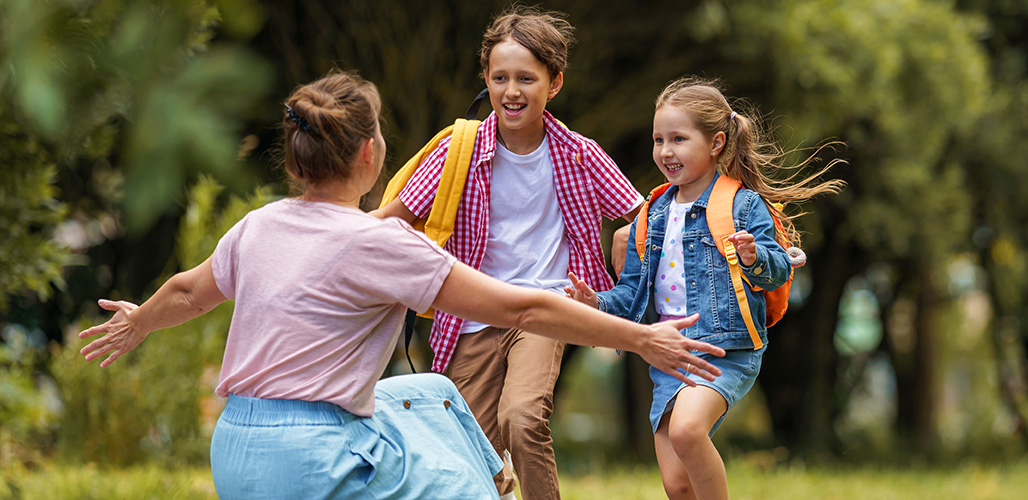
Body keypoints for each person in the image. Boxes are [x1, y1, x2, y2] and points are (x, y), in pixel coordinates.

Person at [78, 69, 726, 500]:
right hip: (313, 460)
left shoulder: (260, 226)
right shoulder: (380, 245)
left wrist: (139, 322)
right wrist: (641, 338)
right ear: (369, 154)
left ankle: (497, 479)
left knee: (433, 393)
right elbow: (526, 308)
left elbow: (189, 293)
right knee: (458, 490)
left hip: (236, 450)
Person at [374, 7, 643, 500]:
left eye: (526, 78)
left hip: (544, 309)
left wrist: (629, 240)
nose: (511, 91)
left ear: (554, 83)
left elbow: (646, 217)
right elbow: (393, 219)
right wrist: (320, 242)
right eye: (500, 78)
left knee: (521, 417)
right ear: (486, 79)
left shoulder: (581, 155)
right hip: (471, 316)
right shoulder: (460, 152)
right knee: (467, 448)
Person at [566, 77, 844, 500]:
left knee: (688, 430)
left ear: (715, 143)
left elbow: (776, 273)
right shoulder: (651, 215)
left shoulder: (742, 205)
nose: (665, 151)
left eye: (679, 138)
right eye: (658, 139)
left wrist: (754, 256)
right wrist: (596, 302)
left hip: (724, 349)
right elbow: (632, 294)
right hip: (669, 355)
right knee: (678, 485)